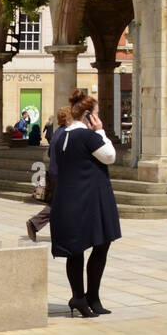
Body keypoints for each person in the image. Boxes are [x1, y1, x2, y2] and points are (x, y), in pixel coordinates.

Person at [49, 91, 120, 317]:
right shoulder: (88, 135)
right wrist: (101, 131)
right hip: (91, 199)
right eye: (97, 114)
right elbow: (110, 156)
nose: (99, 118)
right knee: (100, 245)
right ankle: (86, 297)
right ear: (88, 115)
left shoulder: (61, 135)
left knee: (75, 250)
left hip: (68, 198)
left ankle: (83, 297)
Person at [27, 106, 72, 242]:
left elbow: (49, 153)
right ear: (68, 119)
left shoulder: (58, 132)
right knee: (63, 203)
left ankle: (60, 231)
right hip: (61, 175)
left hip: (54, 173)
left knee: (59, 204)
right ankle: (35, 223)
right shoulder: (66, 134)